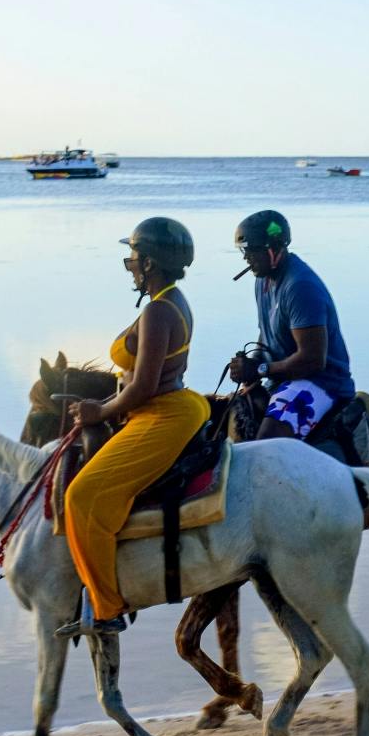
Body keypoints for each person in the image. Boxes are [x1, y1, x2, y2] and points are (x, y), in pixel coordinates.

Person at [55, 217, 209, 637]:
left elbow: (142, 386)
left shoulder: (159, 311)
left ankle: (107, 609)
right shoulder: (169, 299)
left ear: (150, 264)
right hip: (161, 407)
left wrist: (98, 413)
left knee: (83, 497)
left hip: (162, 413)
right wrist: (105, 404)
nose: (130, 268)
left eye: (132, 261)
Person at [227, 210, 355, 440]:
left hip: (320, 382)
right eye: (243, 252)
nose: (246, 258)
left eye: (252, 251)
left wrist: (261, 370)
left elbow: (312, 360)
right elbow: (266, 335)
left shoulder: (300, 287)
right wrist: (251, 361)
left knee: (266, 445)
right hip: (284, 378)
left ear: (273, 249)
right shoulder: (262, 281)